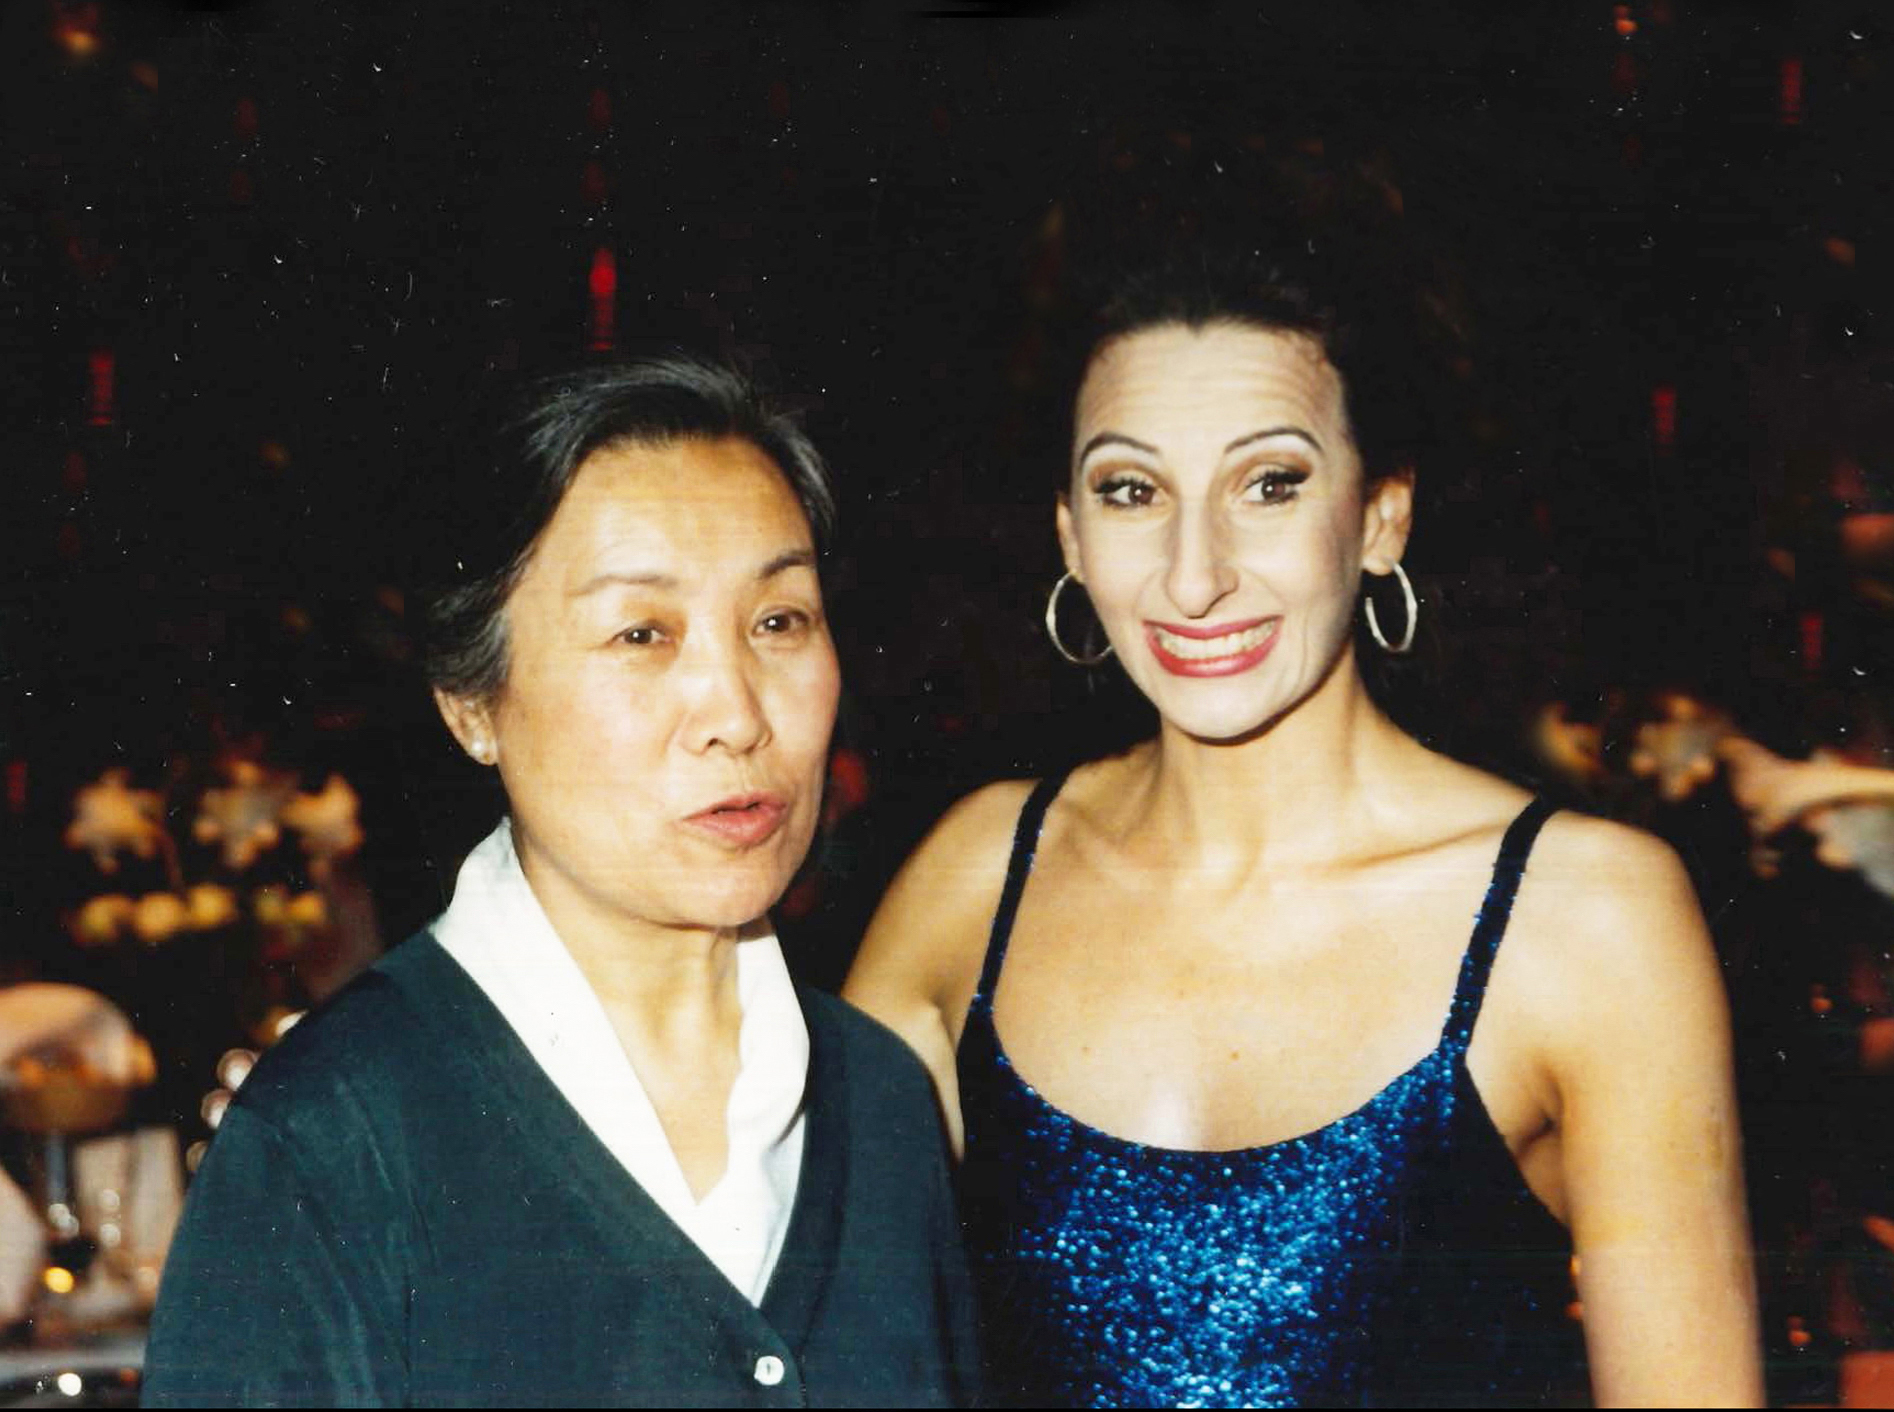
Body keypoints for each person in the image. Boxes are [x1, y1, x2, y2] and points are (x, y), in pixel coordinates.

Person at [845, 248, 1763, 1406]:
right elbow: (813, 1324)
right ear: (1070, 536)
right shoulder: (980, 873)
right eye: (1131, 491)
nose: (1193, 577)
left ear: (1380, 515)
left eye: (1269, 483)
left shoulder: (1583, 913)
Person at [143, 357, 978, 1407]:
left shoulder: (881, 1103)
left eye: (778, 620)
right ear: (471, 703)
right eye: (641, 633)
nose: (736, 713)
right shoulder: (332, 1141)